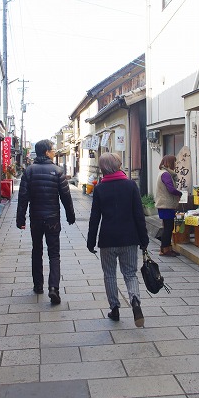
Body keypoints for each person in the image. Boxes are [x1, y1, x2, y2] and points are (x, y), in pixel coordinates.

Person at [86, 152, 149, 327]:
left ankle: (114, 308)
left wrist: (91, 241)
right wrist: (144, 240)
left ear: (103, 168)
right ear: (118, 166)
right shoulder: (130, 186)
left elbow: (94, 218)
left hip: (108, 239)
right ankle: (135, 301)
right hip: (129, 238)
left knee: (109, 275)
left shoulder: (99, 188)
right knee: (130, 274)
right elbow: (139, 215)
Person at [16, 139, 75, 304]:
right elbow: (66, 197)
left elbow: (23, 198)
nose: (54, 151)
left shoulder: (29, 171)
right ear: (46, 152)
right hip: (52, 220)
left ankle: (38, 285)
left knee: (37, 251)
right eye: (52, 149)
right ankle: (54, 288)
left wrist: (20, 218)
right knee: (54, 254)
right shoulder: (58, 171)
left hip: (35, 219)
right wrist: (70, 216)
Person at [155, 155, 182, 257]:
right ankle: (165, 249)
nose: (176, 164)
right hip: (166, 205)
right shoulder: (166, 174)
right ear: (170, 163)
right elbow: (171, 189)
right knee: (168, 227)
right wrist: (179, 193)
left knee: (167, 227)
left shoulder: (162, 173)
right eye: (175, 162)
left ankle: (166, 248)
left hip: (164, 205)